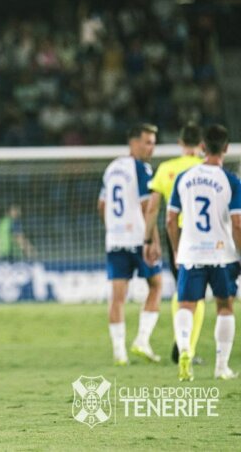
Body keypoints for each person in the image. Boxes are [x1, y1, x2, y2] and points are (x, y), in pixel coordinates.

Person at [168, 124, 240, 381]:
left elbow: (169, 219)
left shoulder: (184, 177)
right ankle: (221, 367)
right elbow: (238, 223)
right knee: (224, 306)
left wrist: (178, 249)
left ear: (201, 147)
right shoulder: (231, 181)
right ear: (226, 148)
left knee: (186, 304)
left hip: (191, 252)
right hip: (222, 254)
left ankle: (185, 350)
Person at [98, 123, 162, 366]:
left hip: (115, 240)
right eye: (147, 142)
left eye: (153, 143)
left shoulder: (112, 168)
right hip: (138, 238)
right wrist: (152, 240)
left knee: (117, 296)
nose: (151, 148)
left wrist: (114, 227)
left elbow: (101, 206)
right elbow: (148, 207)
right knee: (156, 285)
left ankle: (119, 353)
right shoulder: (141, 168)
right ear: (133, 142)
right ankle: (142, 340)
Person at [142, 123, 205, 365]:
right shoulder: (206, 167)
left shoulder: (167, 169)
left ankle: (181, 345)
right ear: (201, 145)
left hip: (176, 233)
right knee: (198, 295)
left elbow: (152, 208)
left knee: (182, 288)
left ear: (180, 143)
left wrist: (148, 240)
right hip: (203, 235)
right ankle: (185, 348)